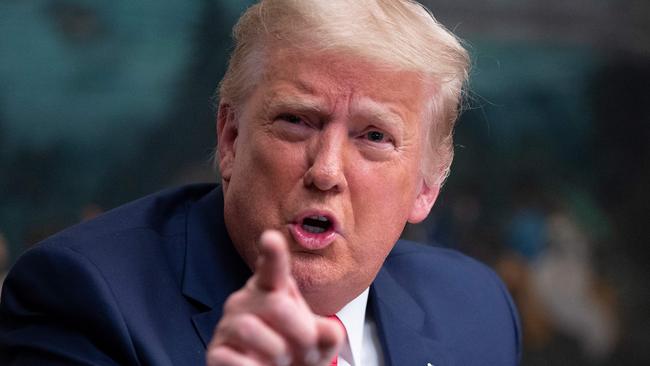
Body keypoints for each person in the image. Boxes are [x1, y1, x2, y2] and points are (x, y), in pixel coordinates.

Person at [0, 0, 521, 365]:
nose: (326, 171)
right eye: (297, 120)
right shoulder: (85, 298)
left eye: (374, 136)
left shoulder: (475, 308)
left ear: (427, 187)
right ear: (230, 139)